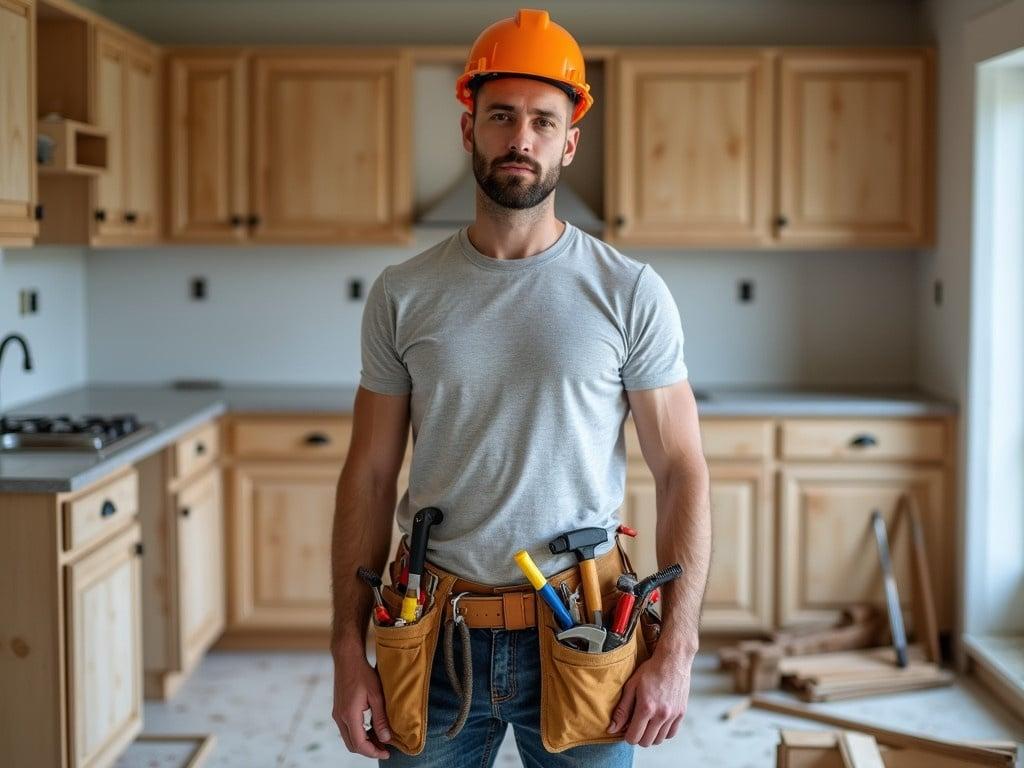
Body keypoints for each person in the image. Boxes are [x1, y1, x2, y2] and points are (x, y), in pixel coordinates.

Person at [330, 8, 711, 766]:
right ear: (468, 129)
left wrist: (678, 649)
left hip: (587, 633)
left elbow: (682, 471)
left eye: (543, 120)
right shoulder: (403, 293)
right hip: (432, 634)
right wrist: (346, 646)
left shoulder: (629, 291)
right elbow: (370, 476)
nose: (521, 138)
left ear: (569, 142)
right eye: (501, 115)